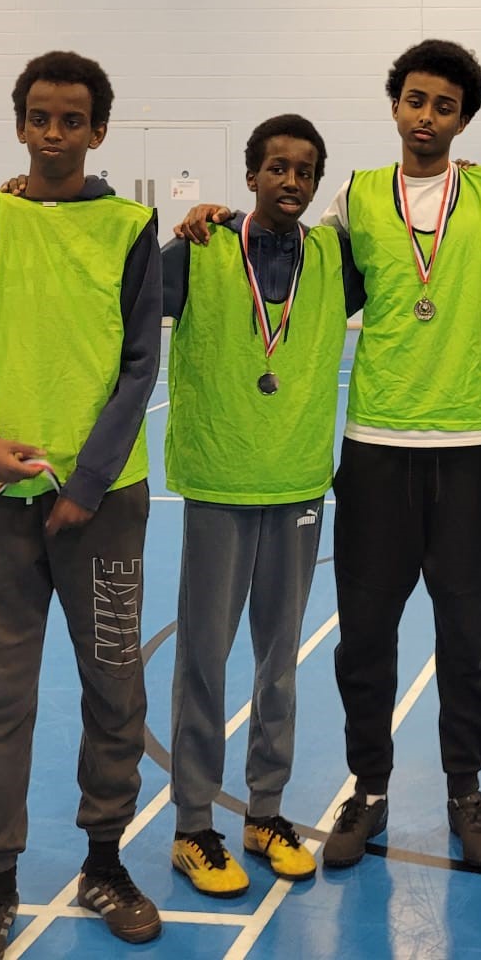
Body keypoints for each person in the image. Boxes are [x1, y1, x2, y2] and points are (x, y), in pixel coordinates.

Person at [176, 40, 481, 872]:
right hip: (375, 447)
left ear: (463, 119)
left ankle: (463, 786)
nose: (426, 117)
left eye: (444, 107)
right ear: (394, 107)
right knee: (365, 636)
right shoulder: (356, 195)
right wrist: (219, 219)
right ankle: (368, 787)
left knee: (468, 637)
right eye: (414, 100)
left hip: (469, 448)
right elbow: (285, 250)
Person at [0, 51, 162, 958]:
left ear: (99, 129)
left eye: (72, 119)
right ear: (19, 123)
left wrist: (88, 485)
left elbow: (141, 363)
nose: (54, 133)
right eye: (39, 117)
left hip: (102, 504)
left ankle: (105, 860)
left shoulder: (131, 225)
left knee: (113, 681)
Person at [163, 114, 361, 897]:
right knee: (203, 662)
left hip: (298, 483)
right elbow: (120, 309)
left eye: (304, 170)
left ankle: (264, 812)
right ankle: (191, 826)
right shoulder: (198, 251)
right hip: (218, 481)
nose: (291, 181)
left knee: (278, 664)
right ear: (248, 177)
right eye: (275, 167)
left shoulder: (337, 260)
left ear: (317, 184)